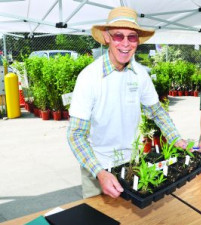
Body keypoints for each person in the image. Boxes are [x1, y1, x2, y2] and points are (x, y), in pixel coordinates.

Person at [67, 7, 187, 199]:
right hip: (97, 166)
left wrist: (176, 139)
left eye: (131, 37)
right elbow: (76, 134)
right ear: (107, 37)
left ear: (138, 41)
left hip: (131, 164)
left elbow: (157, 112)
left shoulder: (140, 75)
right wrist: (99, 172)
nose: (125, 43)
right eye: (118, 36)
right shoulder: (88, 78)